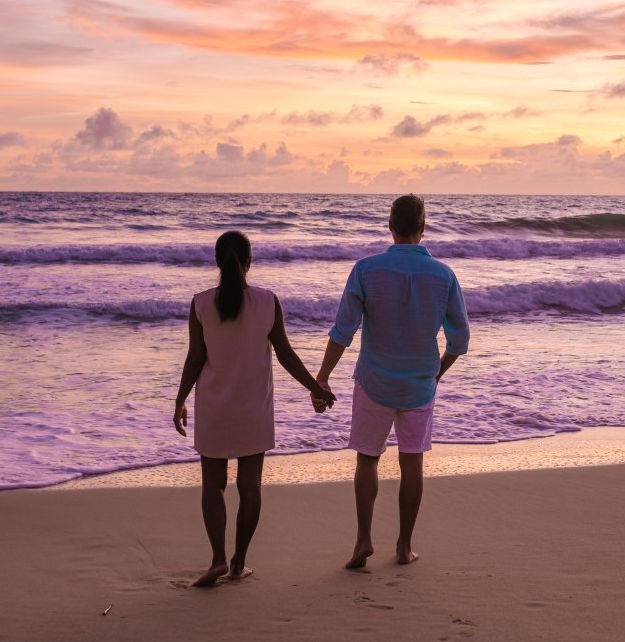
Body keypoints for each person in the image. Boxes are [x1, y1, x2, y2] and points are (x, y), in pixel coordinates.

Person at [314, 194, 469, 569]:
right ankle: (403, 546)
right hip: (418, 384)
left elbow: (342, 332)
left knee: (367, 460)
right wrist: (436, 373)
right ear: (422, 226)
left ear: (390, 225)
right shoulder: (443, 275)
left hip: (374, 380)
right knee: (411, 463)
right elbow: (460, 340)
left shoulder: (367, 270)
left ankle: (363, 540)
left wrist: (322, 378)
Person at [174, 230, 335, 587]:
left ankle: (216, 558)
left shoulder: (200, 303)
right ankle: (237, 563)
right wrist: (316, 387)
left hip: (214, 406)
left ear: (217, 262)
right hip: (253, 408)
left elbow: (195, 358)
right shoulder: (267, 301)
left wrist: (180, 399)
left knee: (213, 486)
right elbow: (287, 354)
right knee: (250, 486)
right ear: (250, 263)